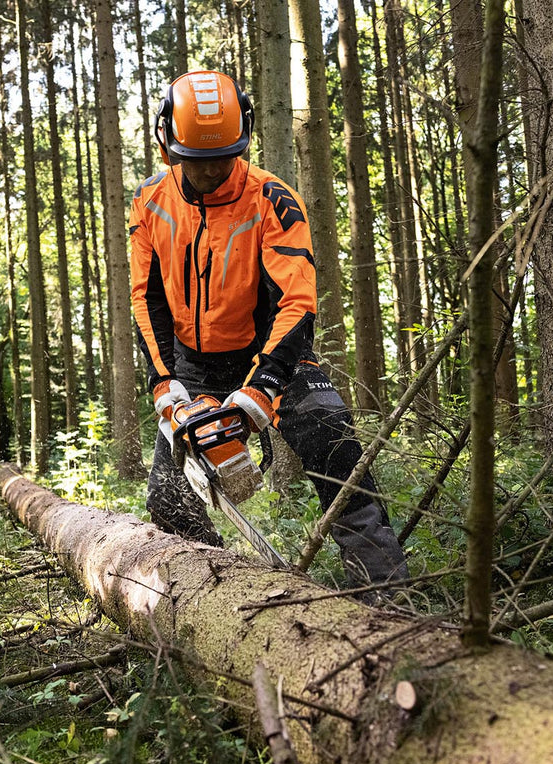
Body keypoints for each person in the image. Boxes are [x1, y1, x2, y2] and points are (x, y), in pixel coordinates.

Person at [129, 69, 409, 590]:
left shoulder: (273, 201)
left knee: (338, 459)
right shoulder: (150, 203)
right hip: (192, 363)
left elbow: (297, 302)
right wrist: (165, 383)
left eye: (220, 157)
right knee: (169, 499)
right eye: (197, 160)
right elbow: (147, 299)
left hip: (274, 354)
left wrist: (263, 388)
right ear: (168, 143)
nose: (210, 170)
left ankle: (384, 598)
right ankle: (212, 597)